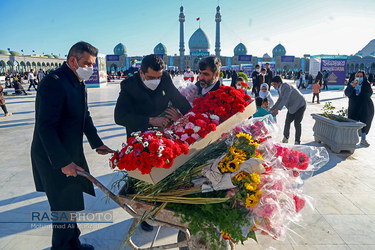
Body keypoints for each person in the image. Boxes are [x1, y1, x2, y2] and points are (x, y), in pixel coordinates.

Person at [31, 41, 113, 250]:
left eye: (93, 64)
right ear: (72, 61)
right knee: (62, 208)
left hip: (68, 152)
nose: (90, 69)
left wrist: (97, 143)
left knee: (70, 203)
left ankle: (72, 243)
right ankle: (63, 247)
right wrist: (62, 162)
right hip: (53, 156)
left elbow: (84, 116)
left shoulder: (76, 81)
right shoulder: (54, 82)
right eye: (87, 63)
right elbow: (45, 127)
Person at [114, 54, 191, 232]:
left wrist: (188, 119)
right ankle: (145, 215)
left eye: (158, 77)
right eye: (151, 77)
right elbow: (119, 117)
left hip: (162, 135)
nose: (156, 81)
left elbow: (179, 100)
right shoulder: (129, 86)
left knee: (164, 173)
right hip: (140, 137)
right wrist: (150, 120)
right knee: (144, 179)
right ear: (141, 73)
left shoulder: (164, 78)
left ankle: (164, 209)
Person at [270, 76, 306, 145]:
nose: (273, 86)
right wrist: (273, 108)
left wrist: (277, 109)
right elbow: (280, 99)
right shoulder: (279, 89)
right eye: (272, 84)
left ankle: (297, 141)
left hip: (300, 105)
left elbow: (285, 99)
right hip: (292, 107)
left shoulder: (286, 87)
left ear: (279, 83)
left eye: (274, 84)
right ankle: (286, 137)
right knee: (287, 122)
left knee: (297, 123)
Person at [344, 70, 374, 146]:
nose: (359, 78)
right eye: (358, 76)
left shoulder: (366, 84)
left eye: (361, 76)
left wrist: (361, 93)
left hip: (365, 106)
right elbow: (347, 93)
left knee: (365, 122)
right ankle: (351, 139)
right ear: (355, 76)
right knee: (352, 121)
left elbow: (369, 93)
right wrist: (353, 86)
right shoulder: (351, 84)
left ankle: (363, 139)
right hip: (354, 106)